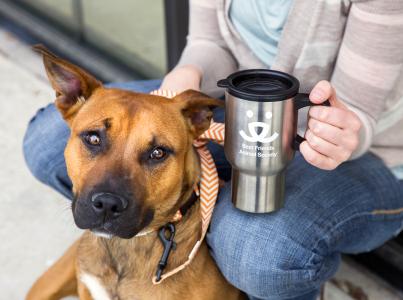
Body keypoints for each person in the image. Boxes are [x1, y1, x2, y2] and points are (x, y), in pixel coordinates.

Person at [23, 0, 403, 299]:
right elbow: (211, 43)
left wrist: (344, 131)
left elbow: (358, 111)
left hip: (353, 147)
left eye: (154, 155)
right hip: (235, 110)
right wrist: (188, 77)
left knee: (257, 250)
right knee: (46, 144)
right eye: (93, 142)